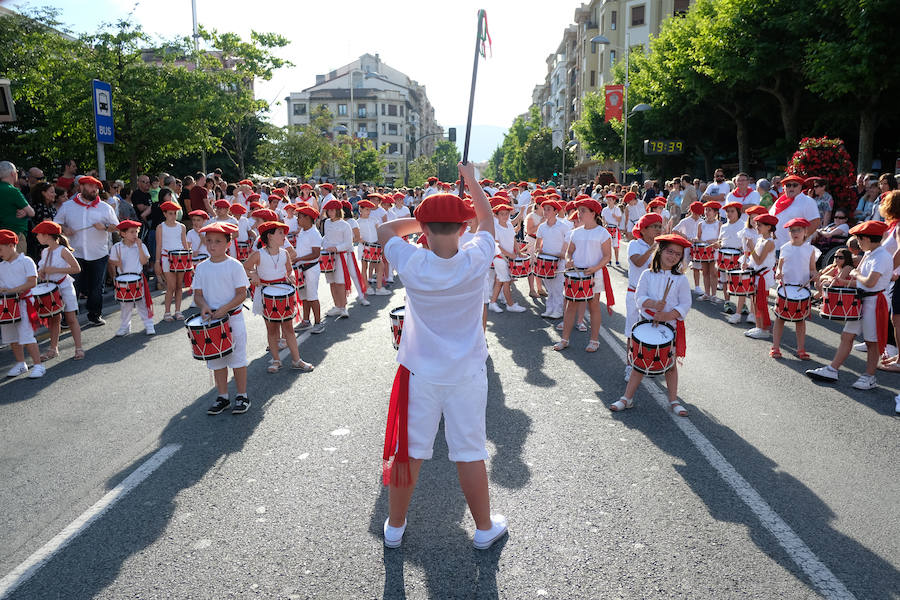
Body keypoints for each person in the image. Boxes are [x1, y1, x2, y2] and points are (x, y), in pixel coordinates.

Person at [378, 162, 507, 550]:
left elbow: (385, 230)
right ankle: (483, 528)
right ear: (462, 228)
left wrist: (423, 219)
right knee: (469, 451)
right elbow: (487, 219)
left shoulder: (412, 261)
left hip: (420, 372)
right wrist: (469, 178)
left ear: (425, 229)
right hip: (467, 371)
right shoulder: (476, 256)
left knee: (410, 451)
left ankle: (396, 527)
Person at [611, 234, 692, 416]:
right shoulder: (647, 274)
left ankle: (673, 400)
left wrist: (667, 315)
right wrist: (653, 304)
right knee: (639, 364)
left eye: (677, 255)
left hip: (669, 327)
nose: (673, 257)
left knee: (670, 366)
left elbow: (685, 304)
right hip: (646, 324)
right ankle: (627, 398)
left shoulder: (681, 279)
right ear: (660, 251)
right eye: (670, 252)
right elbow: (638, 298)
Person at [806, 221, 892, 391]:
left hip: (875, 302)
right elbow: (860, 283)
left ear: (867, 238)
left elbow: (870, 281)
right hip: (862, 299)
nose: (857, 242)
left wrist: (855, 273)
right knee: (847, 336)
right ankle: (832, 369)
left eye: (859, 238)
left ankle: (870, 376)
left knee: (871, 342)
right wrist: (841, 281)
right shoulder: (869, 253)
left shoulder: (881, 256)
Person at [193, 222, 251, 415]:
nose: (212, 245)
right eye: (209, 241)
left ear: (228, 242)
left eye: (217, 241)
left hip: (233, 319)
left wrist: (225, 308)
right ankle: (223, 396)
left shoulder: (234, 266)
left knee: (237, 359)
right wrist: (204, 306)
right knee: (217, 360)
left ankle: (242, 395)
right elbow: (198, 294)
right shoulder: (201, 268)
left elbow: (242, 293)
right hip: (212, 320)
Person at [245, 220, 312, 373]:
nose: (284, 236)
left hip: (283, 290)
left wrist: (292, 276)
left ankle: (297, 360)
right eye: (280, 233)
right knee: (272, 329)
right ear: (270, 236)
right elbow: (245, 268)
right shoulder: (258, 254)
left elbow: (290, 270)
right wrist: (254, 275)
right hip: (266, 294)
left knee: (288, 328)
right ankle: (276, 360)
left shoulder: (285, 253)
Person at [53, 176, 118, 325]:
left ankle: (95, 314)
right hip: (75, 254)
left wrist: (106, 228)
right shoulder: (68, 206)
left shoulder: (105, 207)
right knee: (72, 286)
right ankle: (68, 317)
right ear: (81, 187)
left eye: (96, 187)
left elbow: (117, 227)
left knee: (97, 287)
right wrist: (64, 229)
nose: (94, 189)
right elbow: (56, 224)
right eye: (90, 186)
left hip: (99, 253)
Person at [553, 198, 614, 353]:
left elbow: (607, 256)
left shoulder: (603, 233)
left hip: (595, 274)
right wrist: (568, 260)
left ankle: (594, 340)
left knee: (594, 307)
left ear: (593, 213)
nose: (578, 214)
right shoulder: (575, 233)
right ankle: (564, 339)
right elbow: (569, 252)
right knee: (570, 306)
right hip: (576, 273)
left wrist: (594, 268)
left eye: (583, 211)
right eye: (578, 210)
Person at [33, 221, 84, 360]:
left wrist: (55, 270)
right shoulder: (45, 251)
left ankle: (78, 348)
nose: (37, 237)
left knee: (71, 318)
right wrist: (42, 272)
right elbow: (42, 269)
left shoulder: (62, 250)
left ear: (47, 235)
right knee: (54, 319)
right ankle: (53, 349)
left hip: (65, 286)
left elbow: (76, 268)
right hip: (52, 288)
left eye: (38, 234)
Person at [770, 218, 818, 359]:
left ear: (805, 232)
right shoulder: (785, 247)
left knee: (800, 321)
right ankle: (775, 347)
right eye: (792, 230)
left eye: (799, 230)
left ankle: (801, 349)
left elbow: (812, 269)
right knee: (780, 319)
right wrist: (778, 272)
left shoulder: (810, 249)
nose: (795, 233)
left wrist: (815, 276)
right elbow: (780, 265)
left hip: (801, 290)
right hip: (785, 288)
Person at [623, 213, 663, 382]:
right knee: (632, 331)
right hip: (634, 294)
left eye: (660, 227)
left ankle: (649, 364)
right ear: (644, 229)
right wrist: (653, 249)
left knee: (651, 331)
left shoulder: (661, 247)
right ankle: (630, 365)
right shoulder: (634, 244)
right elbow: (638, 262)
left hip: (653, 296)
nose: (658, 230)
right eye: (654, 226)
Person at [0, 229, 45, 378]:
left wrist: (13, 290)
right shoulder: (1, 266)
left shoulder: (26, 261)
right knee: (11, 337)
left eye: (0, 249)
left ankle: (38, 365)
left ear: (11, 245)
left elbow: (32, 282)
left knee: (26, 335)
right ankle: (21, 364)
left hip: (24, 303)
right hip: (8, 305)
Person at [109, 220, 155, 336]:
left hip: (138, 278)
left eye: (136, 232)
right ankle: (125, 326)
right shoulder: (117, 247)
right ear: (123, 234)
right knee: (125, 306)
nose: (135, 235)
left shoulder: (141, 245)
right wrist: (116, 263)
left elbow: (144, 261)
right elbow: (111, 261)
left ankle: (149, 325)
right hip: (124, 279)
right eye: (132, 232)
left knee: (142, 304)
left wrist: (139, 247)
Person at [487, 203, 526, 314]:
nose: (505, 216)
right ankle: (510, 305)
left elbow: (513, 240)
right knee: (506, 282)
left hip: (507, 258)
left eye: (507, 214)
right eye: (502, 214)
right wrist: (510, 254)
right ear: (496, 216)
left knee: (500, 281)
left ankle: (493, 303)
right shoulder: (496, 228)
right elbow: (497, 245)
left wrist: (518, 252)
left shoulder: (509, 225)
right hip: (500, 258)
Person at [744, 214, 778, 339]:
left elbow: (759, 260)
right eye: (757, 224)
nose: (757, 227)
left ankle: (764, 329)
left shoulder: (769, 242)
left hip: (763, 277)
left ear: (769, 227)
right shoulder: (760, 239)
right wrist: (747, 265)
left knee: (761, 302)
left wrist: (751, 248)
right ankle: (759, 327)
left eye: (760, 225)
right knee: (755, 301)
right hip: (757, 275)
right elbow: (755, 262)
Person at [293, 205, 325, 334]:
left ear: (308, 218)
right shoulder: (303, 231)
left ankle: (318, 323)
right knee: (304, 297)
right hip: (302, 268)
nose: (297, 220)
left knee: (312, 296)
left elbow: (316, 254)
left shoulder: (314, 233)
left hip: (311, 269)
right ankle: (306, 321)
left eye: (300, 217)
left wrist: (299, 258)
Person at [534, 199, 568, 319]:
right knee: (549, 287)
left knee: (558, 287)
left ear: (556, 212)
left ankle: (558, 310)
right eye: (545, 209)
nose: (545, 211)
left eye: (549, 209)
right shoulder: (542, 227)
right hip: (546, 261)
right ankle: (549, 309)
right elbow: (538, 243)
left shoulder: (563, 226)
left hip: (559, 261)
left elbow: (567, 241)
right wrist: (538, 250)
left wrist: (563, 253)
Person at [156, 199, 189, 321]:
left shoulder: (182, 227)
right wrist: (157, 262)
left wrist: (188, 260)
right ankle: (167, 312)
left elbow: (185, 244)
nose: (173, 215)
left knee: (179, 285)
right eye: (170, 213)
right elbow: (158, 246)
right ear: (164, 214)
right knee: (171, 286)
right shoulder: (160, 227)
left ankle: (178, 311)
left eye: (175, 213)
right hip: (166, 259)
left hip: (180, 259)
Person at [321, 199, 353, 319]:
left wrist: (337, 248)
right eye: (328, 210)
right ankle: (336, 306)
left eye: (332, 210)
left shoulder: (345, 225)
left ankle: (343, 307)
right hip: (328, 256)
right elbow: (326, 237)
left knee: (340, 282)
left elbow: (349, 243)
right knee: (332, 282)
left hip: (340, 256)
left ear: (338, 211)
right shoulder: (327, 223)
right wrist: (324, 246)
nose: (330, 212)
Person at [1, 161, 35, 254]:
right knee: (17, 264)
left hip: (3, 234)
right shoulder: (13, 191)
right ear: (13, 173)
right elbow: (32, 212)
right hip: (15, 235)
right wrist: (25, 211)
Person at [697, 202, 722, 302]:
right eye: (706, 210)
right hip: (704, 251)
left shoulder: (719, 224)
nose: (707, 212)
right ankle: (707, 293)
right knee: (705, 273)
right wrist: (702, 242)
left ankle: (714, 295)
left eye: (709, 210)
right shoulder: (701, 224)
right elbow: (698, 238)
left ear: (715, 212)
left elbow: (721, 239)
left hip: (714, 251)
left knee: (714, 273)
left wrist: (715, 242)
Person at [601, 193, 623, 265]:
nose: (608, 201)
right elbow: (603, 219)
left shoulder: (617, 209)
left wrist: (615, 217)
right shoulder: (604, 209)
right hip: (607, 228)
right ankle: (609, 260)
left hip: (614, 228)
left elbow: (619, 220)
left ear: (614, 200)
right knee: (608, 246)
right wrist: (604, 224)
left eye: (610, 200)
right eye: (608, 200)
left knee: (615, 246)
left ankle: (617, 260)